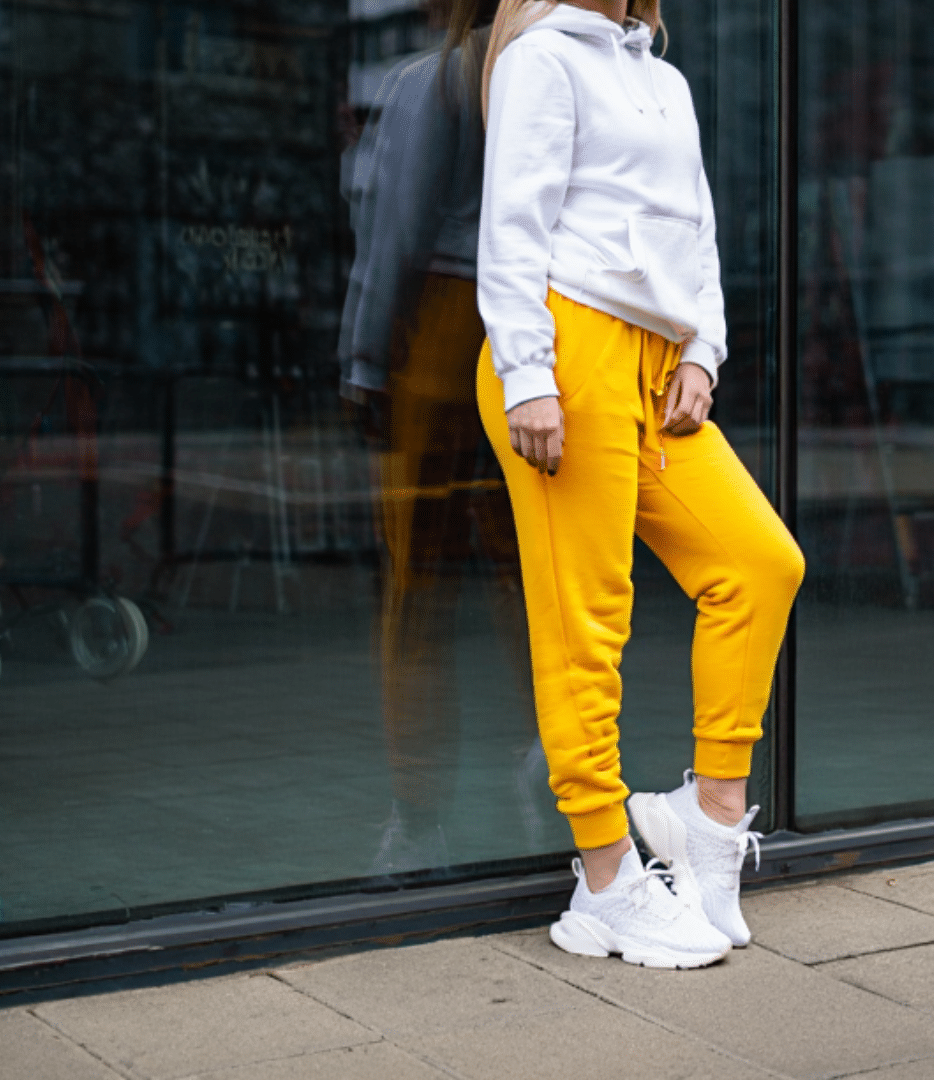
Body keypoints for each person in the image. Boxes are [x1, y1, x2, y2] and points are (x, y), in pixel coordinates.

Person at [475, 0, 805, 967]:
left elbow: (694, 233)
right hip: (564, 353)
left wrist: (704, 350)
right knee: (590, 617)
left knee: (758, 563)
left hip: (657, 369)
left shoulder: (664, 78)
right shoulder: (542, 60)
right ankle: (606, 880)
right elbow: (512, 226)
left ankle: (705, 820)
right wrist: (527, 375)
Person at [339, 0, 547, 874]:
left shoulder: (432, 82)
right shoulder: (544, 76)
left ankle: (420, 814)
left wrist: (361, 355)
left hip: (444, 326)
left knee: (418, 585)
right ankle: (554, 766)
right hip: (533, 332)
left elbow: (395, 231)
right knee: (529, 571)